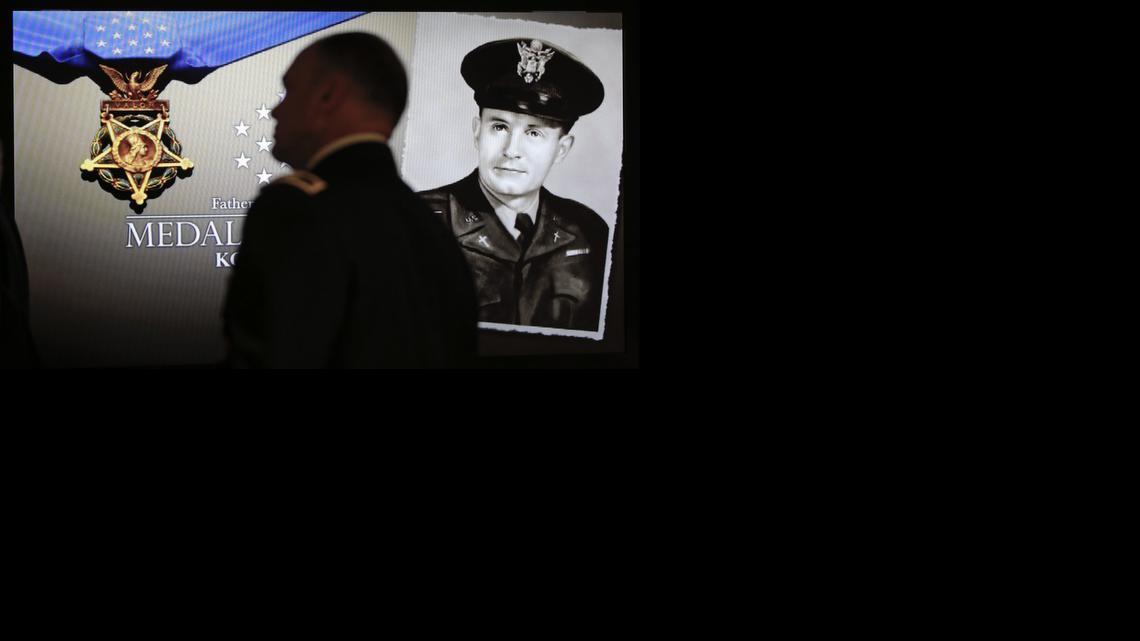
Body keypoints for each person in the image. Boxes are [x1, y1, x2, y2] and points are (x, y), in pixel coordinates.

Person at [222, 32, 478, 368]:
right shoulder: (434, 229)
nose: (276, 110)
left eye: (289, 91)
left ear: (328, 95)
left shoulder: (299, 210)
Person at [418, 38, 609, 331]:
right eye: (499, 126)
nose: (511, 149)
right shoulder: (416, 221)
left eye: (533, 133)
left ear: (561, 149)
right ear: (477, 132)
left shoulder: (590, 233)